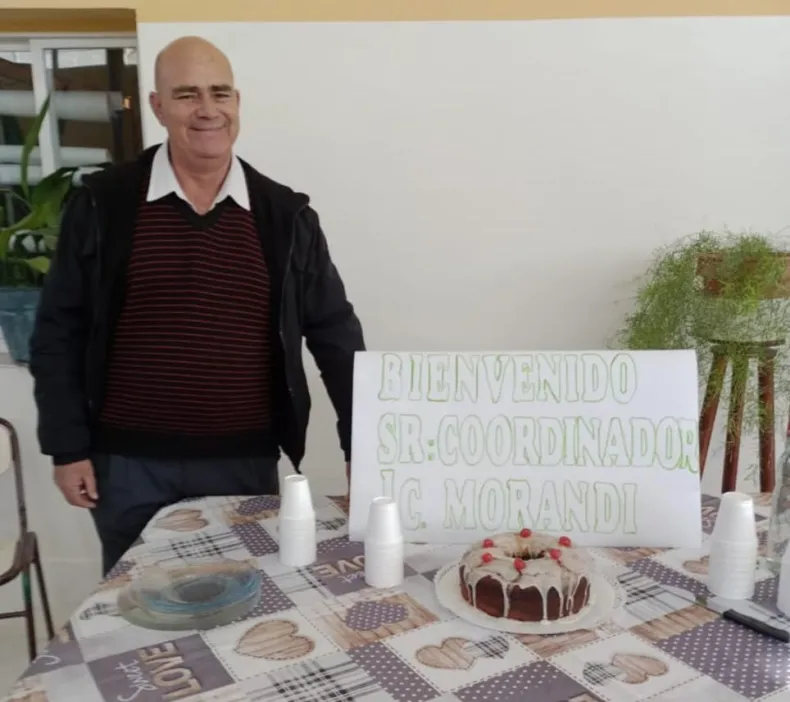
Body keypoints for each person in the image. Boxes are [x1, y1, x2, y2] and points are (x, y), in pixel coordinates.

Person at [28, 36, 365, 576]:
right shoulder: (103, 204)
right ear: (158, 106)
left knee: (243, 605)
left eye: (220, 93)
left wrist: (362, 450)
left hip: (244, 463)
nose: (207, 109)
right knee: (137, 606)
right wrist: (66, 447)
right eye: (187, 95)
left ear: (237, 102)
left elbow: (336, 337)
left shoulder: (285, 215)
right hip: (126, 466)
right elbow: (57, 332)